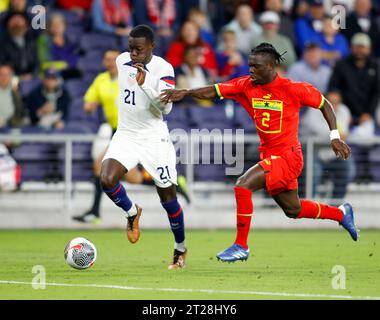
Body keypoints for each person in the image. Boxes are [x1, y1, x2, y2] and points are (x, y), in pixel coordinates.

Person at [161, 43, 358, 263]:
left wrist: (334, 136)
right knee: (293, 209)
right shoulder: (246, 85)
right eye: (249, 65)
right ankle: (341, 213)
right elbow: (214, 90)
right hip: (269, 155)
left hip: (288, 157)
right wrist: (185, 92)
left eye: (256, 66)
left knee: (243, 184)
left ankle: (241, 246)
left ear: (271, 66)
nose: (251, 70)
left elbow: (325, 104)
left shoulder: (293, 88)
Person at [99, 25, 187, 269]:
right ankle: (131, 213)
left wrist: (146, 83)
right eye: (130, 48)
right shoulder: (121, 60)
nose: (133, 54)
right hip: (126, 134)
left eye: (138, 49)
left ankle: (180, 249)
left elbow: (166, 109)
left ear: (151, 47)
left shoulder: (164, 68)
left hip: (153, 137)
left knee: (167, 197)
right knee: (106, 179)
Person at [73, 48, 190, 223]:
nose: (110, 62)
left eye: (113, 58)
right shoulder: (101, 80)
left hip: (135, 130)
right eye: (107, 59)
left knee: (100, 166)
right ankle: (173, 184)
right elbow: (89, 102)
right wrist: (90, 106)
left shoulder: (129, 74)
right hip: (117, 130)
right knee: (132, 178)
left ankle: (95, 212)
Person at [328, 33, 380, 183]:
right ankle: (343, 175)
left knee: (365, 138)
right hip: (344, 112)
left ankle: (364, 173)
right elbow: (333, 88)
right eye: (357, 46)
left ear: (368, 49)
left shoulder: (374, 65)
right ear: (352, 48)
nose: (360, 50)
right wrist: (343, 110)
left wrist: (368, 113)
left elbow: (376, 92)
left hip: (366, 113)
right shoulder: (342, 64)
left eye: (362, 47)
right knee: (343, 137)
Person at [0, 63, 25, 128]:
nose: (4, 77)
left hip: (11, 127)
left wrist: (6, 123)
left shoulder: (15, 93)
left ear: (11, 76)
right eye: (1, 74)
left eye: (6, 75)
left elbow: (19, 113)